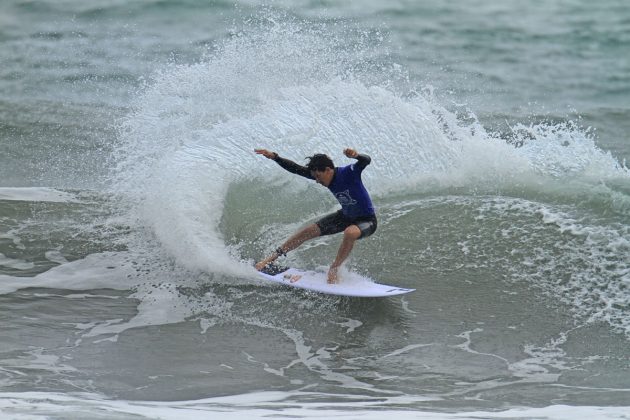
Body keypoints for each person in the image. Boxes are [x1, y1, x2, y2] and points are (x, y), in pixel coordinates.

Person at [254, 147, 377, 284]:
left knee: (350, 232)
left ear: (328, 170)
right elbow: (295, 168)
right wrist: (275, 157)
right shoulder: (323, 175)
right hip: (345, 217)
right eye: (315, 177)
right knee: (307, 232)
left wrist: (356, 155)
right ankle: (269, 260)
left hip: (367, 220)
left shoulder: (349, 172)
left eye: (318, 176)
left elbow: (366, 160)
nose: (317, 181)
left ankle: (334, 269)